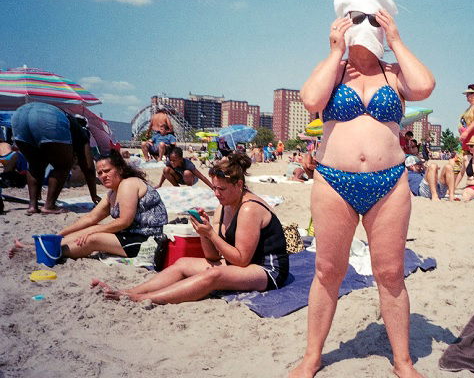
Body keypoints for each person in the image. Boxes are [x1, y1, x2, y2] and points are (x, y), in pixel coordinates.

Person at [288, 0, 434, 378]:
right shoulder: (335, 71)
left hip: (389, 182)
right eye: (358, 17)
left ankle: (402, 361)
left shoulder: (393, 72)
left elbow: (424, 86)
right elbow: (312, 100)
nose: (365, 26)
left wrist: (398, 40)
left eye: (372, 18)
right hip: (334, 179)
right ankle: (313, 356)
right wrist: (334, 52)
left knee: (390, 274)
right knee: (326, 270)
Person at [91, 153, 289, 303]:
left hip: (267, 270)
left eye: (222, 189)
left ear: (238, 185)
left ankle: (146, 298)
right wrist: (204, 233)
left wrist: (212, 233)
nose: (217, 194)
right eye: (214, 188)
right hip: (243, 265)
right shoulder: (224, 204)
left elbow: (241, 260)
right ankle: (132, 291)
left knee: (214, 275)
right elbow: (212, 257)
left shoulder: (248, 209)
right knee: (183, 262)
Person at [9, 150, 166, 259]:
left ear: (119, 169)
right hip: (130, 235)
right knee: (88, 230)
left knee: (92, 239)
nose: (103, 176)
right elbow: (91, 217)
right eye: (100, 173)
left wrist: (94, 231)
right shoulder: (112, 193)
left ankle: (40, 253)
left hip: (148, 240)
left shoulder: (128, 184)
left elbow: (124, 221)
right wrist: (61, 234)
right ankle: (40, 247)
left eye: (107, 171)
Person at [10, 102, 100, 214]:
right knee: (63, 165)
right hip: (48, 117)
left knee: (34, 165)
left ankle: (32, 206)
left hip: (19, 114)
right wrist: (94, 195)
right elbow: (88, 167)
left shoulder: (69, 121)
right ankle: (49, 205)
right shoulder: (81, 132)